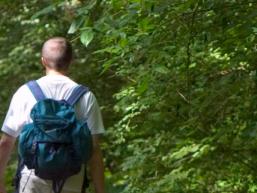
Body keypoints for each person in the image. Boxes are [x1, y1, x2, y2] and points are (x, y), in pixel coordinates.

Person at [0, 37, 106, 193]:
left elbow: (6, 143)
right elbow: (94, 149)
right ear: (71, 61)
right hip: (72, 179)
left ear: (43, 61)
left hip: (32, 178)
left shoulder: (25, 93)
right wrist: (100, 190)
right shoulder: (86, 96)